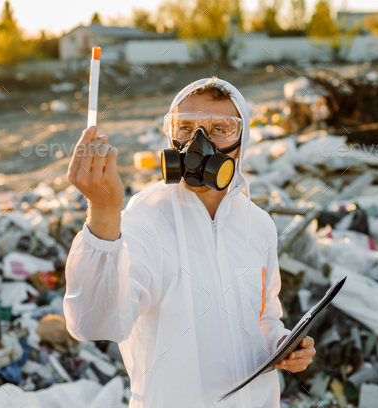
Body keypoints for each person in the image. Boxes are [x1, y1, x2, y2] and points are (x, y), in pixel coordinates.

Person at [64, 78, 316, 408]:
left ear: (242, 143)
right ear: (170, 135)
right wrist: (102, 212)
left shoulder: (258, 225)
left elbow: (265, 318)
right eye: (185, 127)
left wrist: (283, 343)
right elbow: (93, 322)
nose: (199, 142)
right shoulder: (145, 220)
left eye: (220, 128)